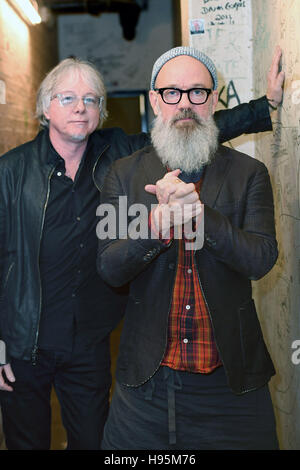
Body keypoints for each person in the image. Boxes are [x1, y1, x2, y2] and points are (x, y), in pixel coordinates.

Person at [0, 47, 283, 450]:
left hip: (90, 342)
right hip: (24, 339)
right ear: (45, 106)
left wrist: (265, 106)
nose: (80, 108)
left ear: (101, 110)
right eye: (67, 98)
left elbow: (192, 121)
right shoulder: (12, 171)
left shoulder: (113, 152)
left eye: (91, 100)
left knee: (89, 440)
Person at [97, 46, 283, 450]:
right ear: (154, 101)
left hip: (232, 387)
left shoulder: (249, 173)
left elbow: (261, 259)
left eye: (197, 92)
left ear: (213, 100)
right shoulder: (124, 175)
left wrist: (201, 216)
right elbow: (110, 268)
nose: (184, 103)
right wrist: (155, 228)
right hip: (145, 387)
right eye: (172, 92)